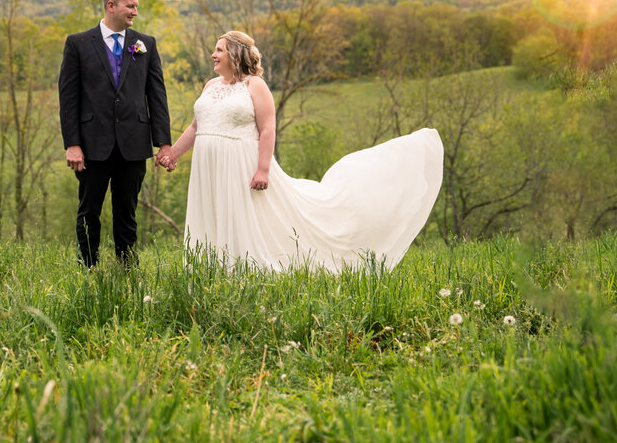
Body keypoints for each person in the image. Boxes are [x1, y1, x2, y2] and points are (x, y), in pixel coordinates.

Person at [158, 31, 442, 273]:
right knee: (215, 209)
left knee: (248, 215)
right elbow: (197, 127)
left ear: (234, 53)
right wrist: (173, 154)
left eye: (218, 50)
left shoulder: (254, 86)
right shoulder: (210, 86)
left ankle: (243, 265)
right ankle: (213, 265)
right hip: (209, 167)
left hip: (242, 164)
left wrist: (263, 168)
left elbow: (268, 129)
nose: (212, 55)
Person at [58, 0, 172, 267]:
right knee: (88, 213)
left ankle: (128, 273)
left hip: (133, 145)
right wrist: (72, 144)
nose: (135, 12)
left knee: (127, 214)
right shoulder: (78, 44)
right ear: (111, 6)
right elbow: (68, 99)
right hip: (92, 146)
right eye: (130, 6)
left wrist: (164, 143)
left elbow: (156, 96)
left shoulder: (146, 43)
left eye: (136, 6)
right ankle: (88, 272)